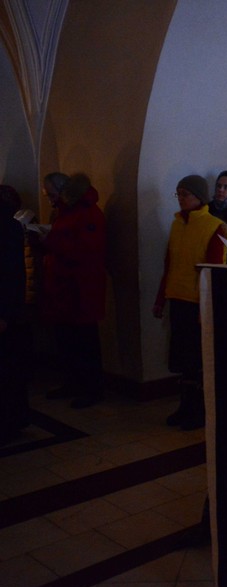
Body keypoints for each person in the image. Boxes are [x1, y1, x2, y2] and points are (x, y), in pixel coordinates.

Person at [153, 175, 227, 430]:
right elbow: (169, 264)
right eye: (179, 193)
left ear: (199, 197)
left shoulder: (214, 226)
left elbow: (214, 273)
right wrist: (161, 299)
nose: (181, 198)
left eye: (185, 193)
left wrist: (206, 308)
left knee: (197, 360)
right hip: (178, 299)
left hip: (198, 303)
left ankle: (199, 412)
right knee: (183, 360)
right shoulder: (177, 224)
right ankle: (185, 407)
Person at [40, 173, 107, 409]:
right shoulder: (66, 211)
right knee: (66, 339)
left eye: (51, 194)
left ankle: (92, 388)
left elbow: (87, 251)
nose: (49, 199)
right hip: (64, 288)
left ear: (63, 191)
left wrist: (50, 241)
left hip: (81, 288)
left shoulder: (88, 213)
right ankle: (73, 382)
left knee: (85, 342)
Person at [0, 185, 28, 444]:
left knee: (7, 369)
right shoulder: (11, 227)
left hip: (5, 310)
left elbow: (10, 275)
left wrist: (5, 313)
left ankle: (10, 422)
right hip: (9, 308)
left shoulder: (7, 229)